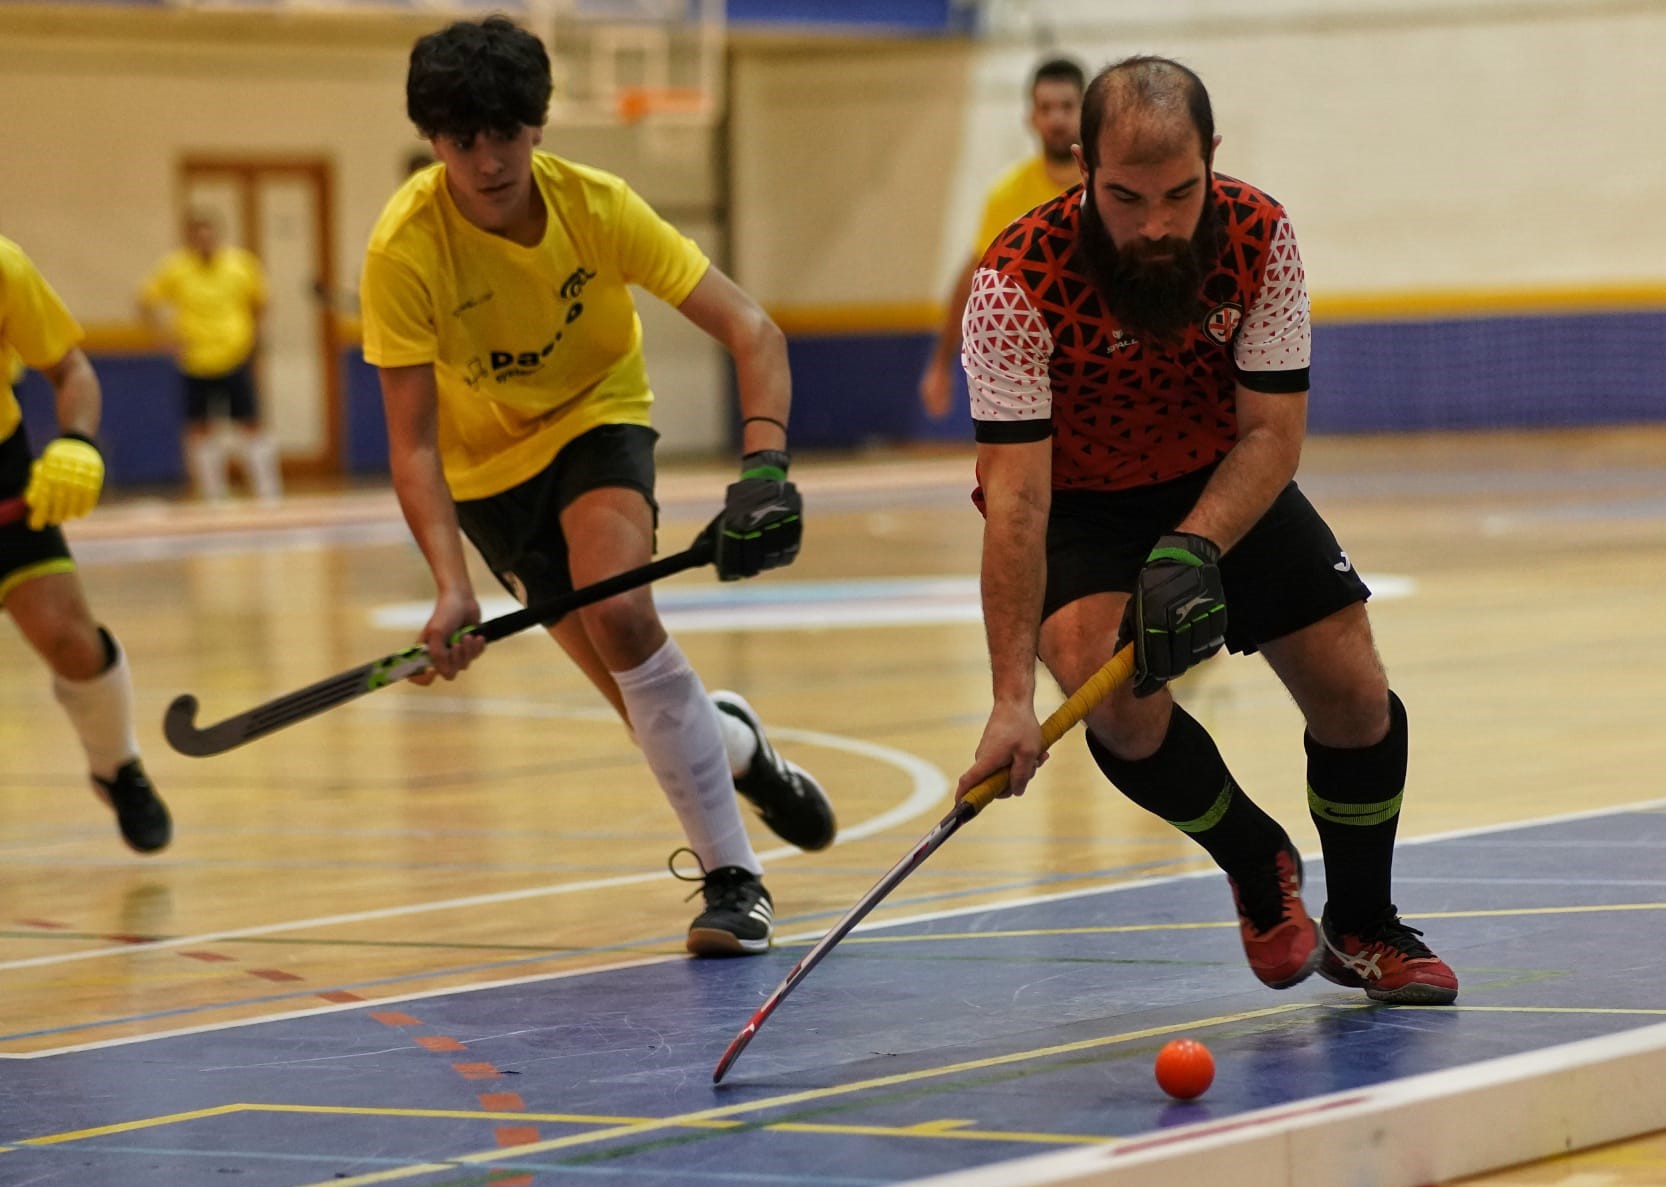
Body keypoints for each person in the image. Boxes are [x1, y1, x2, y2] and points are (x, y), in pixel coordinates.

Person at [955, 56, 1457, 1005]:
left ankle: (1361, 925)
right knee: (1108, 692)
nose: (1154, 224)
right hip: (1085, 504)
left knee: (1354, 688)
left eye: (1180, 194)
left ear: (1213, 159)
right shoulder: (1014, 282)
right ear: (1080, 164)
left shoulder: (1262, 236)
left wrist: (1194, 547)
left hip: (1226, 477)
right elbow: (1017, 501)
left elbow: (1273, 436)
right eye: (1126, 196)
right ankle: (1254, 854)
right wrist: (1009, 700)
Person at [358, 16, 834, 956]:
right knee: (641, 704)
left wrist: (765, 469)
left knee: (624, 621)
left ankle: (735, 883)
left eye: (506, 133)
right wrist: (451, 587)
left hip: (596, 418)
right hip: (487, 476)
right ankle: (734, 741)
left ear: (538, 125)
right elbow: (412, 447)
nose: (488, 159)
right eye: (463, 140)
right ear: (432, 139)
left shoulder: (598, 206)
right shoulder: (403, 251)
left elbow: (754, 331)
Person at [1, 234, 172, 854]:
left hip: (3, 473)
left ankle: (117, 765)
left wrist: (77, 440)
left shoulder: (3, 265)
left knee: (69, 637)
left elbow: (72, 370)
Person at [918, 57, 1085, 420]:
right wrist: (939, 363)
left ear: (1085, 112)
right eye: (1046, 108)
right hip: (1035, 359)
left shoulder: (1108, 186)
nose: (1056, 119)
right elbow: (976, 276)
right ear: (1031, 117)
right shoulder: (1007, 195)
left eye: (1067, 107)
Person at [138, 212, 281, 503]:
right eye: (197, 236)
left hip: (235, 355)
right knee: (199, 427)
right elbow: (145, 302)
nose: (204, 241)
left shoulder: (241, 264)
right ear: (189, 238)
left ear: (217, 235)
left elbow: (262, 302)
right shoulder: (175, 268)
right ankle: (213, 493)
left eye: (208, 235)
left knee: (250, 422)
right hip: (195, 360)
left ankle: (268, 491)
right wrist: (164, 339)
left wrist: (256, 337)